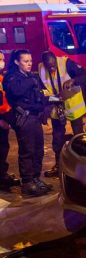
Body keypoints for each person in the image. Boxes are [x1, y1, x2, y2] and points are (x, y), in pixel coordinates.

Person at [2, 50, 52, 196]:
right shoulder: (11, 77)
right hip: (24, 119)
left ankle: (36, 179)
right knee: (27, 152)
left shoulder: (31, 76)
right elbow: (16, 91)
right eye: (25, 61)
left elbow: (40, 95)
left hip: (35, 118)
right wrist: (31, 81)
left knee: (38, 150)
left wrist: (49, 101)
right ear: (17, 62)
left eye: (30, 61)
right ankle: (27, 182)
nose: (29, 64)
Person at [38, 51, 86, 177]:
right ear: (44, 64)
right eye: (49, 67)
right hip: (57, 107)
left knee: (78, 137)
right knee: (57, 139)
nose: (52, 68)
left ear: (55, 60)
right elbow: (42, 88)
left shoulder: (67, 63)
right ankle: (59, 165)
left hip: (74, 107)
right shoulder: (41, 68)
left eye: (53, 65)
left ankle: (81, 165)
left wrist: (74, 80)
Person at [0, 52, 20, 190]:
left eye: (2, 59)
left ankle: (2, 175)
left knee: (3, 148)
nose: (2, 61)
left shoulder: (2, 77)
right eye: (0, 59)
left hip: (4, 117)